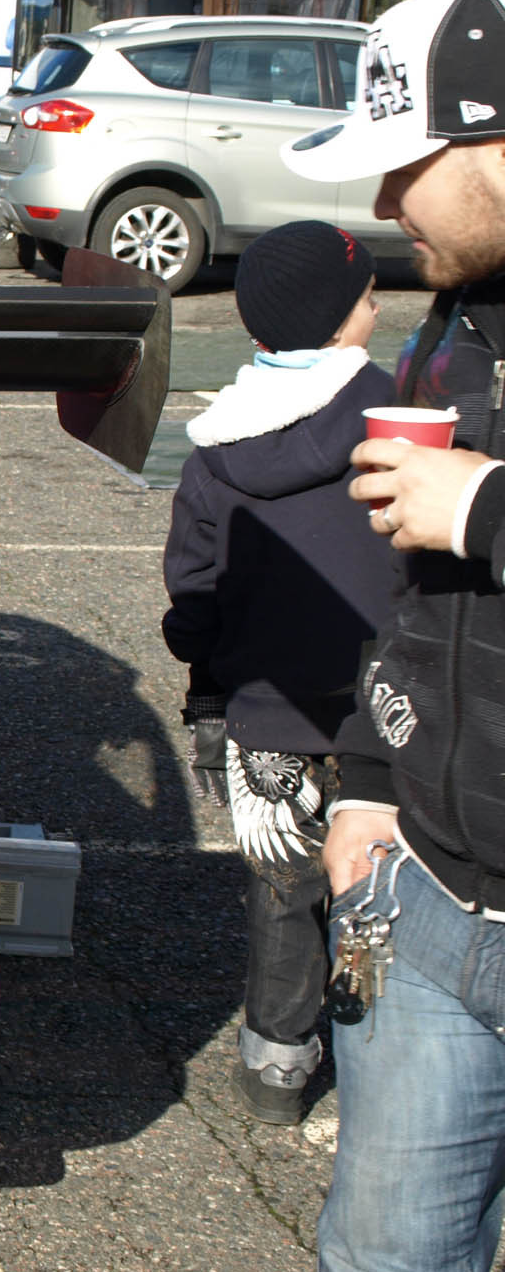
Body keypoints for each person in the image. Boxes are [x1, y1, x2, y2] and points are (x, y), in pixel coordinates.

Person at [274, 0, 505, 1272]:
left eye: (404, 161)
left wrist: (482, 506)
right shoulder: (454, 322)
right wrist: (364, 780)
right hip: (426, 895)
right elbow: (416, 609)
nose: (383, 204)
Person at [161, 220, 399, 1127]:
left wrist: (210, 681)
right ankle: (394, 1070)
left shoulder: (222, 441)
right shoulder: (398, 415)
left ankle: (275, 1068)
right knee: (389, 890)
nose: (377, 308)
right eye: (371, 296)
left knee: (284, 891)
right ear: (344, 320)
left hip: (267, 713)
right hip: (392, 709)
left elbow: (195, 588)